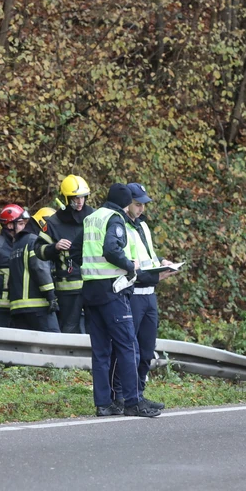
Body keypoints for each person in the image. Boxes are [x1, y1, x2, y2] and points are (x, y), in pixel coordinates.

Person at [81, 183, 160, 417]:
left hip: (90, 290)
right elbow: (111, 250)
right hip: (112, 290)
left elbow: (76, 250)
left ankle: (103, 404)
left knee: (101, 351)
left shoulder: (91, 217)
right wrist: (129, 266)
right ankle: (133, 402)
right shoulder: (115, 218)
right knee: (128, 346)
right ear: (125, 203)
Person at [110, 182, 175, 410]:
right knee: (128, 349)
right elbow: (128, 265)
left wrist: (162, 263)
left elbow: (148, 255)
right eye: (137, 205)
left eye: (143, 205)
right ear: (127, 204)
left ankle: (138, 393)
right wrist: (156, 277)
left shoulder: (142, 225)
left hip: (149, 295)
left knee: (146, 350)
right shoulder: (119, 226)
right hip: (133, 293)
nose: (141, 209)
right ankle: (119, 395)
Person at [35, 175, 95, 333]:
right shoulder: (54, 223)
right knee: (70, 329)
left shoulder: (94, 218)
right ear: (67, 198)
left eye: (82, 197)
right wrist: (54, 247)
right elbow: (38, 249)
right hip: (68, 288)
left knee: (96, 327)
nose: (80, 202)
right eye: (75, 198)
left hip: (94, 284)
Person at [9, 207, 61, 332]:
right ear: (43, 224)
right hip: (38, 305)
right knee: (54, 343)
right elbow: (40, 268)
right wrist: (51, 296)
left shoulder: (18, 243)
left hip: (18, 308)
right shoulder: (34, 241)